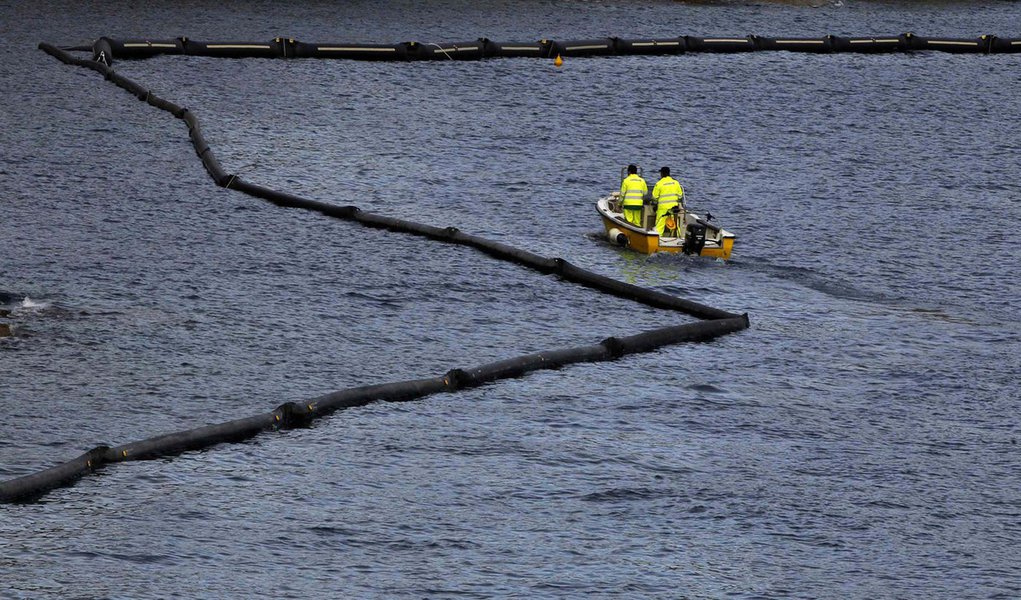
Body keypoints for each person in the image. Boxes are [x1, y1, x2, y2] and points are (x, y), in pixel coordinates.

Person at [652, 166, 684, 236]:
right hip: (673, 208)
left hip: (662, 209)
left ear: (662, 174)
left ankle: (658, 240)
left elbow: (654, 197)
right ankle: (677, 238)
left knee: (659, 226)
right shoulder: (676, 183)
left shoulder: (659, 183)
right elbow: (680, 196)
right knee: (674, 225)